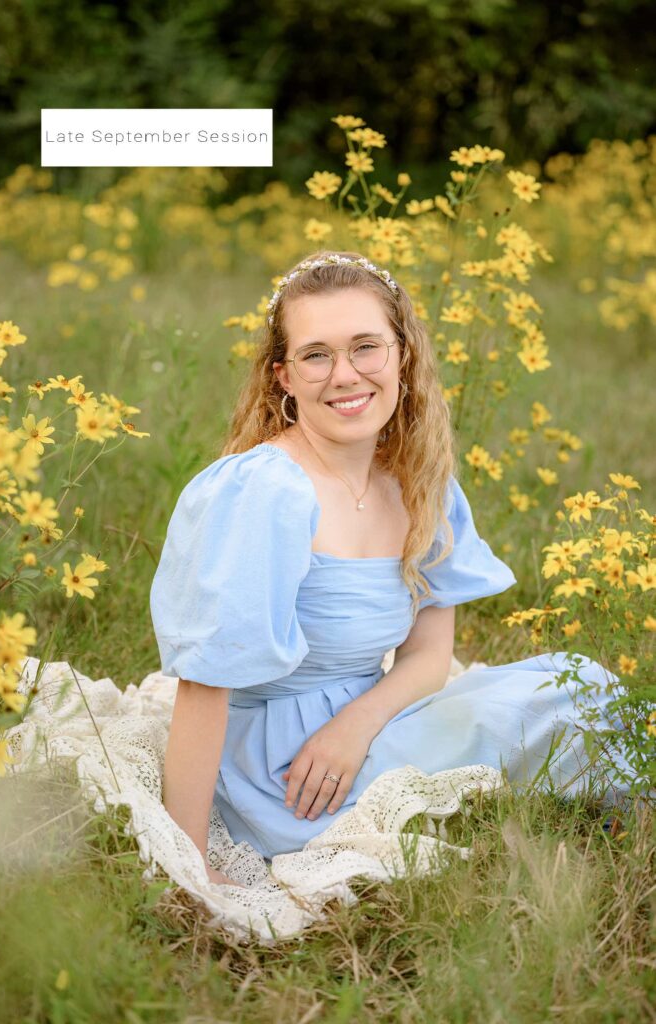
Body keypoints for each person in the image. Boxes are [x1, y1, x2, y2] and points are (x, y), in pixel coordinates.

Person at [150, 250, 629, 887]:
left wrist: (355, 725)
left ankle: (614, 824)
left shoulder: (418, 481)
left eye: (366, 348)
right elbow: (206, 683)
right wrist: (190, 863)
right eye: (316, 354)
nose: (344, 375)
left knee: (581, 686)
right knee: (544, 717)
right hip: (282, 770)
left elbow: (431, 656)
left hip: (367, 719)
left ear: (402, 357)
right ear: (284, 378)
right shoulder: (264, 491)